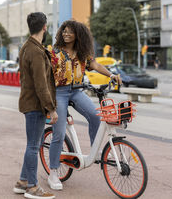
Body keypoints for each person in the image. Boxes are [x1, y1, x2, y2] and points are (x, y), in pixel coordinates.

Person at [47, 19, 121, 191]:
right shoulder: (54, 52)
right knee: (59, 132)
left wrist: (111, 75)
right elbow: (46, 73)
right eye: (64, 31)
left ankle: (94, 152)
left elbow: (94, 64)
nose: (66, 33)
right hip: (59, 93)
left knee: (96, 116)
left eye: (69, 31)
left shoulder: (81, 52)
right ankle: (53, 172)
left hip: (77, 91)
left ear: (77, 35)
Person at [13, 12, 58, 199]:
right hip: (34, 105)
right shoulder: (36, 51)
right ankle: (32, 187)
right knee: (33, 146)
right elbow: (41, 84)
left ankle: (23, 181)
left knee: (34, 143)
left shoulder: (27, 46)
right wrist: (51, 108)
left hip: (29, 102)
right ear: (44, 27)